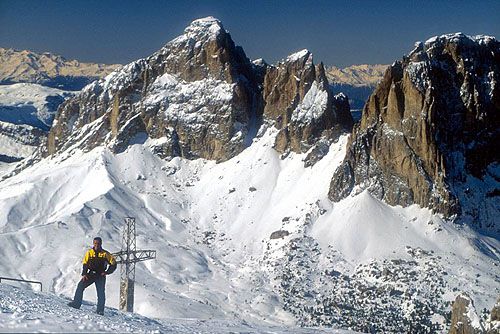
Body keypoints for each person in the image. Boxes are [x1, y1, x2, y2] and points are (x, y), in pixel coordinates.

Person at [68, 237, 117, 315]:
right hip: (90, 274)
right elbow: (85, 263)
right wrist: (84, 274)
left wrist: (107, 272)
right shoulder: (89, 253)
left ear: (101, 244)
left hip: (100, 275)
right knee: (80, 286)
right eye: (95, 243)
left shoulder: (105, 254)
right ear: (93, 243)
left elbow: (114, 264)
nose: (96, 245)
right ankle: (76, 304)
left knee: (101, 293)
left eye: (98, 243)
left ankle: (100, 310)